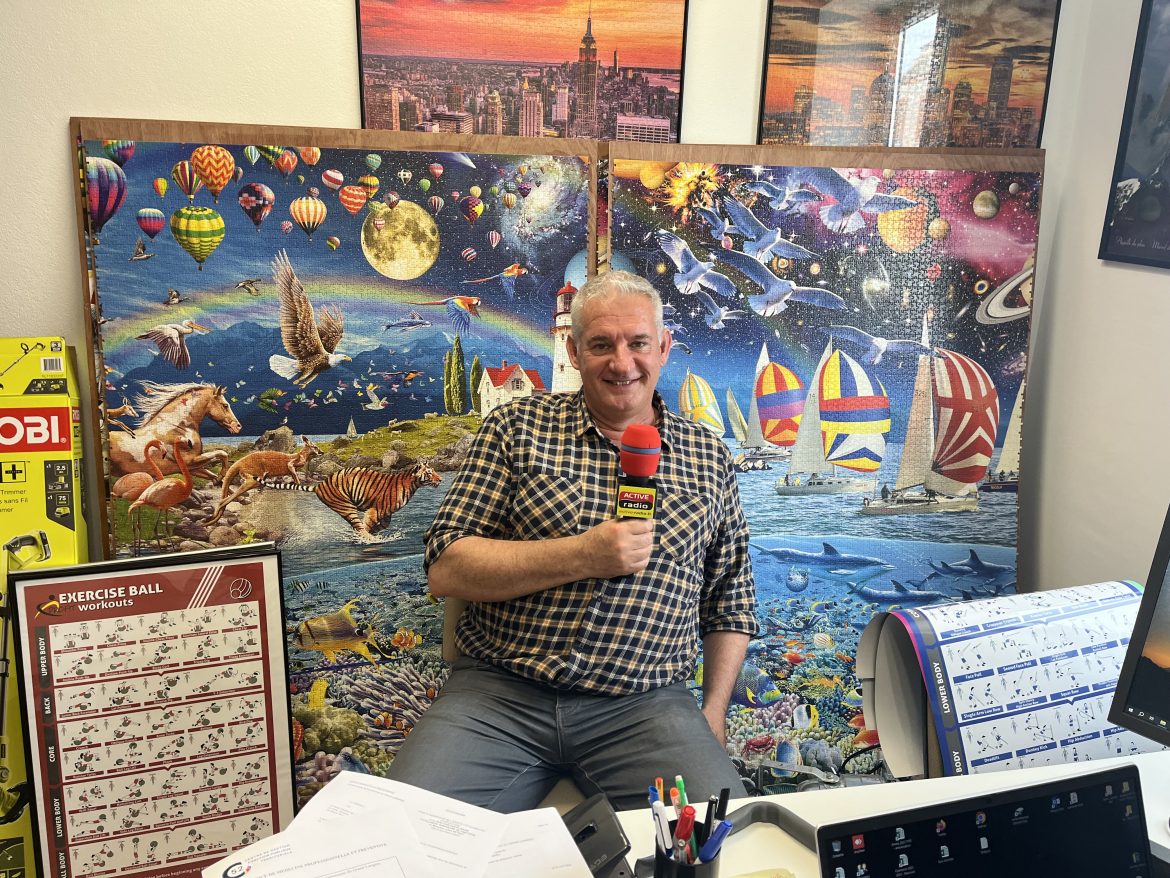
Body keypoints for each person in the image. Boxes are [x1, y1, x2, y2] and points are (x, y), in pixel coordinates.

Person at [387, 271, 757, 812]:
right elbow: (447, 567)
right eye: (602, 345)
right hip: (499, 696)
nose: (623, 364)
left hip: (647, 706)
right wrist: (584, 554)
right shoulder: (516, 427)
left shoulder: (710, 456)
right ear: (574, 351)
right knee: (399, 834)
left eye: (638, 343)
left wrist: (714, 712)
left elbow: (731, 601)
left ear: (664, 348)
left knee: (712, 843)